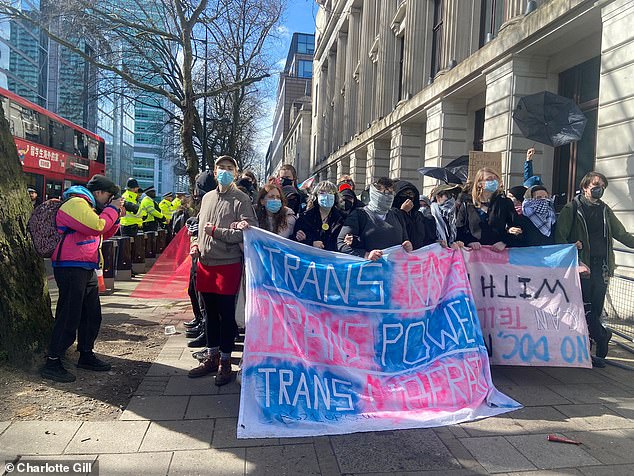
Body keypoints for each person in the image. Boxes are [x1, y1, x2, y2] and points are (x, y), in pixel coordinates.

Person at [41, 175, 123, 383]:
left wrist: (116, 215)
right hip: (70, 266)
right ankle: (53, 361)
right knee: (69, 314)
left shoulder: (89, 205)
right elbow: (96, 226)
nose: (110, 200)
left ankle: (86, 353)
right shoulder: (76, 202)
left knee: (91, 314)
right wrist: (112, 210)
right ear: (98, 193)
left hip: (86, 265)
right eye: (109, 196)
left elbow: (104, 231)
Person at [189, 155, 257, 385]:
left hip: (228, 263)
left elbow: (248, 232)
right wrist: (196, 245)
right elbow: (199, 228)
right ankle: (212, 357)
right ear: (214, 171)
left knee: (226, 316)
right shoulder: (207, 197)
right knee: (208, 314)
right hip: (205, 263)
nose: (225, 171)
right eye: (221, 168)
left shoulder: (241, 199)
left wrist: (217, 232)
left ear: (236, 174)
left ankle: (226, 362)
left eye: (230, 168)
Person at [555, 171, 634, 367]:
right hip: (581, 266)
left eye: (603, 187)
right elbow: (560, 238)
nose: (600, 190)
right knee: (582, 308)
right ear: (585, 187)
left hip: (602, 267)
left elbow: (621, 233)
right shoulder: (572, 208)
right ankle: (599, 337)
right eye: (596, 185)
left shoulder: (605, 209)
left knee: (595, 308)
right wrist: (573, 250)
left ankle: (593, 348)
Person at [338, 177, 413, 260]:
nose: (389, 197)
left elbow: (405, 239)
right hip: (369, 270)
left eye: (391, 193)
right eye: (385, 192)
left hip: (393, 270)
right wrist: (366, 255)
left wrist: (407, 245)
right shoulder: (359, 215)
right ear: (375, 193)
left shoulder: (397, 214)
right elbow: (341, 243)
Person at [457, 167, 521, 251]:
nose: (494, 181)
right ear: (480, 184)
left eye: (495, 179)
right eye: (489, 179)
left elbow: (516, 227)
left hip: (498, 254)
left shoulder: (505, 202)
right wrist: (469, 241)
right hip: (473, 254)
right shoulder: (467, 204)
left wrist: (504, 242)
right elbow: (459, 229)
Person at [294, 181, 345, 251]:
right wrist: (311, 243)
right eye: (322, 192)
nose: (327, 195)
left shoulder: (342, 218)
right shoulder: (305, 217)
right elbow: (294, 241)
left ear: (335, 196)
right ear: (316, 196)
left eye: (330, 193)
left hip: (332, 259)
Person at [392, 180, 437, 250]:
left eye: (411, 194)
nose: (408, 197)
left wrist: (437, 242)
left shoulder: (418, 216)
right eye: (404, 194)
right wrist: (402, 212)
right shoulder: (391, 215)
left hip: (417, 256)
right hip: (399, 256)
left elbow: (426, 237)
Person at [430, 183, 464, 248]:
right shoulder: (429, 215)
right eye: (448, 195)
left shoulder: (453, 217)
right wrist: (437, 242)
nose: (452, 199)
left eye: (454, 195)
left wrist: (457, 242)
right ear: (438, 197)